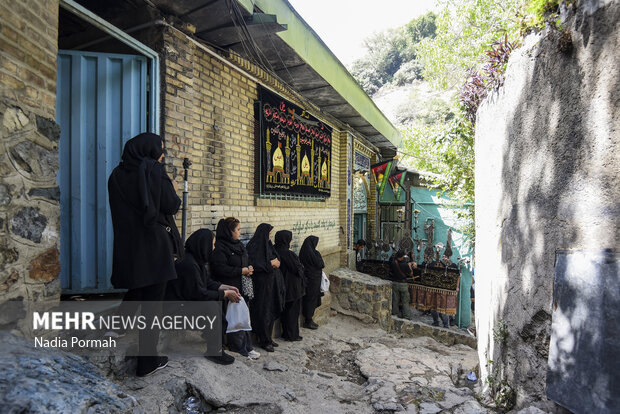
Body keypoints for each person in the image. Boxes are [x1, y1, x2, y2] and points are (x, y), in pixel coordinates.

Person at [108, 132, 181, 377]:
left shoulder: (116, 176)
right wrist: (172, 186)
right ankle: (148, 362)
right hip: (155, 244)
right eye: (160, 148)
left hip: (129, 243)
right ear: (149, 150)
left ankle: (117, 328)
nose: (161, 153)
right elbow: (171, 205)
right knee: (153, 304)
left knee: (137, 286)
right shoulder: (154, 172)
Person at [166, 229, 242, 364]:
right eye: (212, 245)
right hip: (173, 311)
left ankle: (216, 344)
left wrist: (226, 287)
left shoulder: (195, 261)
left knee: (217, 301)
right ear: (203, 245)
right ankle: (214, 350)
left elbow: (207, 282)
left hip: (185, 304)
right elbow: (199, 294)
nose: (213, 248)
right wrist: (224, 294)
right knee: (211, 306)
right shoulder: (188, 264)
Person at [211, 218, 260, 359]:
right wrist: (240, 271)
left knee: (243, 317)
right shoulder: (220, 247)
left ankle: (248, 346)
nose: (240, 232)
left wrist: (249, 268)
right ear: (229, 231)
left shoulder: (238, 245)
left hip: (242, 286)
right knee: (234, 319)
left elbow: (246, 259)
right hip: (229, 288)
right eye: (237, 229)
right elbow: (220, 269)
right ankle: (238, 348)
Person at [246, 223, 283, 352]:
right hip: (261, 286)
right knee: (263, 311)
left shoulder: (268, 245)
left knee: (271, 310)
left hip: (272, 284)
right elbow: (255, 264)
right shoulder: (254, 246)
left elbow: (276, 257)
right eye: (269, 233)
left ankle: (269, 338)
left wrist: (275, 262)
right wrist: (270, 263)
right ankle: (264, 340)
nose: (270, 236)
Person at [274, 230, 305, 342]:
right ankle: (292, 335)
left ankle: (287, 333)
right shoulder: (288, 254)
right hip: (292, 287)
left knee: (286, 311)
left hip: (281, 287)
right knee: (292, 312)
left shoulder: (274, 251)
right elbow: (298, 269)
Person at [299, 235, 324, 330]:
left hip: (309, 280)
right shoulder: (314, 253)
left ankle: (309, 319)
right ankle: (308, 321)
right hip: (313, 281)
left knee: (309, 300)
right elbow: (321, 264)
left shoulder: (303, 253)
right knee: (311, 300)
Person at [389, 250, 414, 320]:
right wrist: (410, 266)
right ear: (402, 256)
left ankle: (395, 313)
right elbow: (411, 274)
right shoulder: (405, 264)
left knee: (395, 299)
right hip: (403, 284)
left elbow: (391, 271)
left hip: (395, 283)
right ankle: (407, 316)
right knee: (405, 301)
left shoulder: (394, 262)